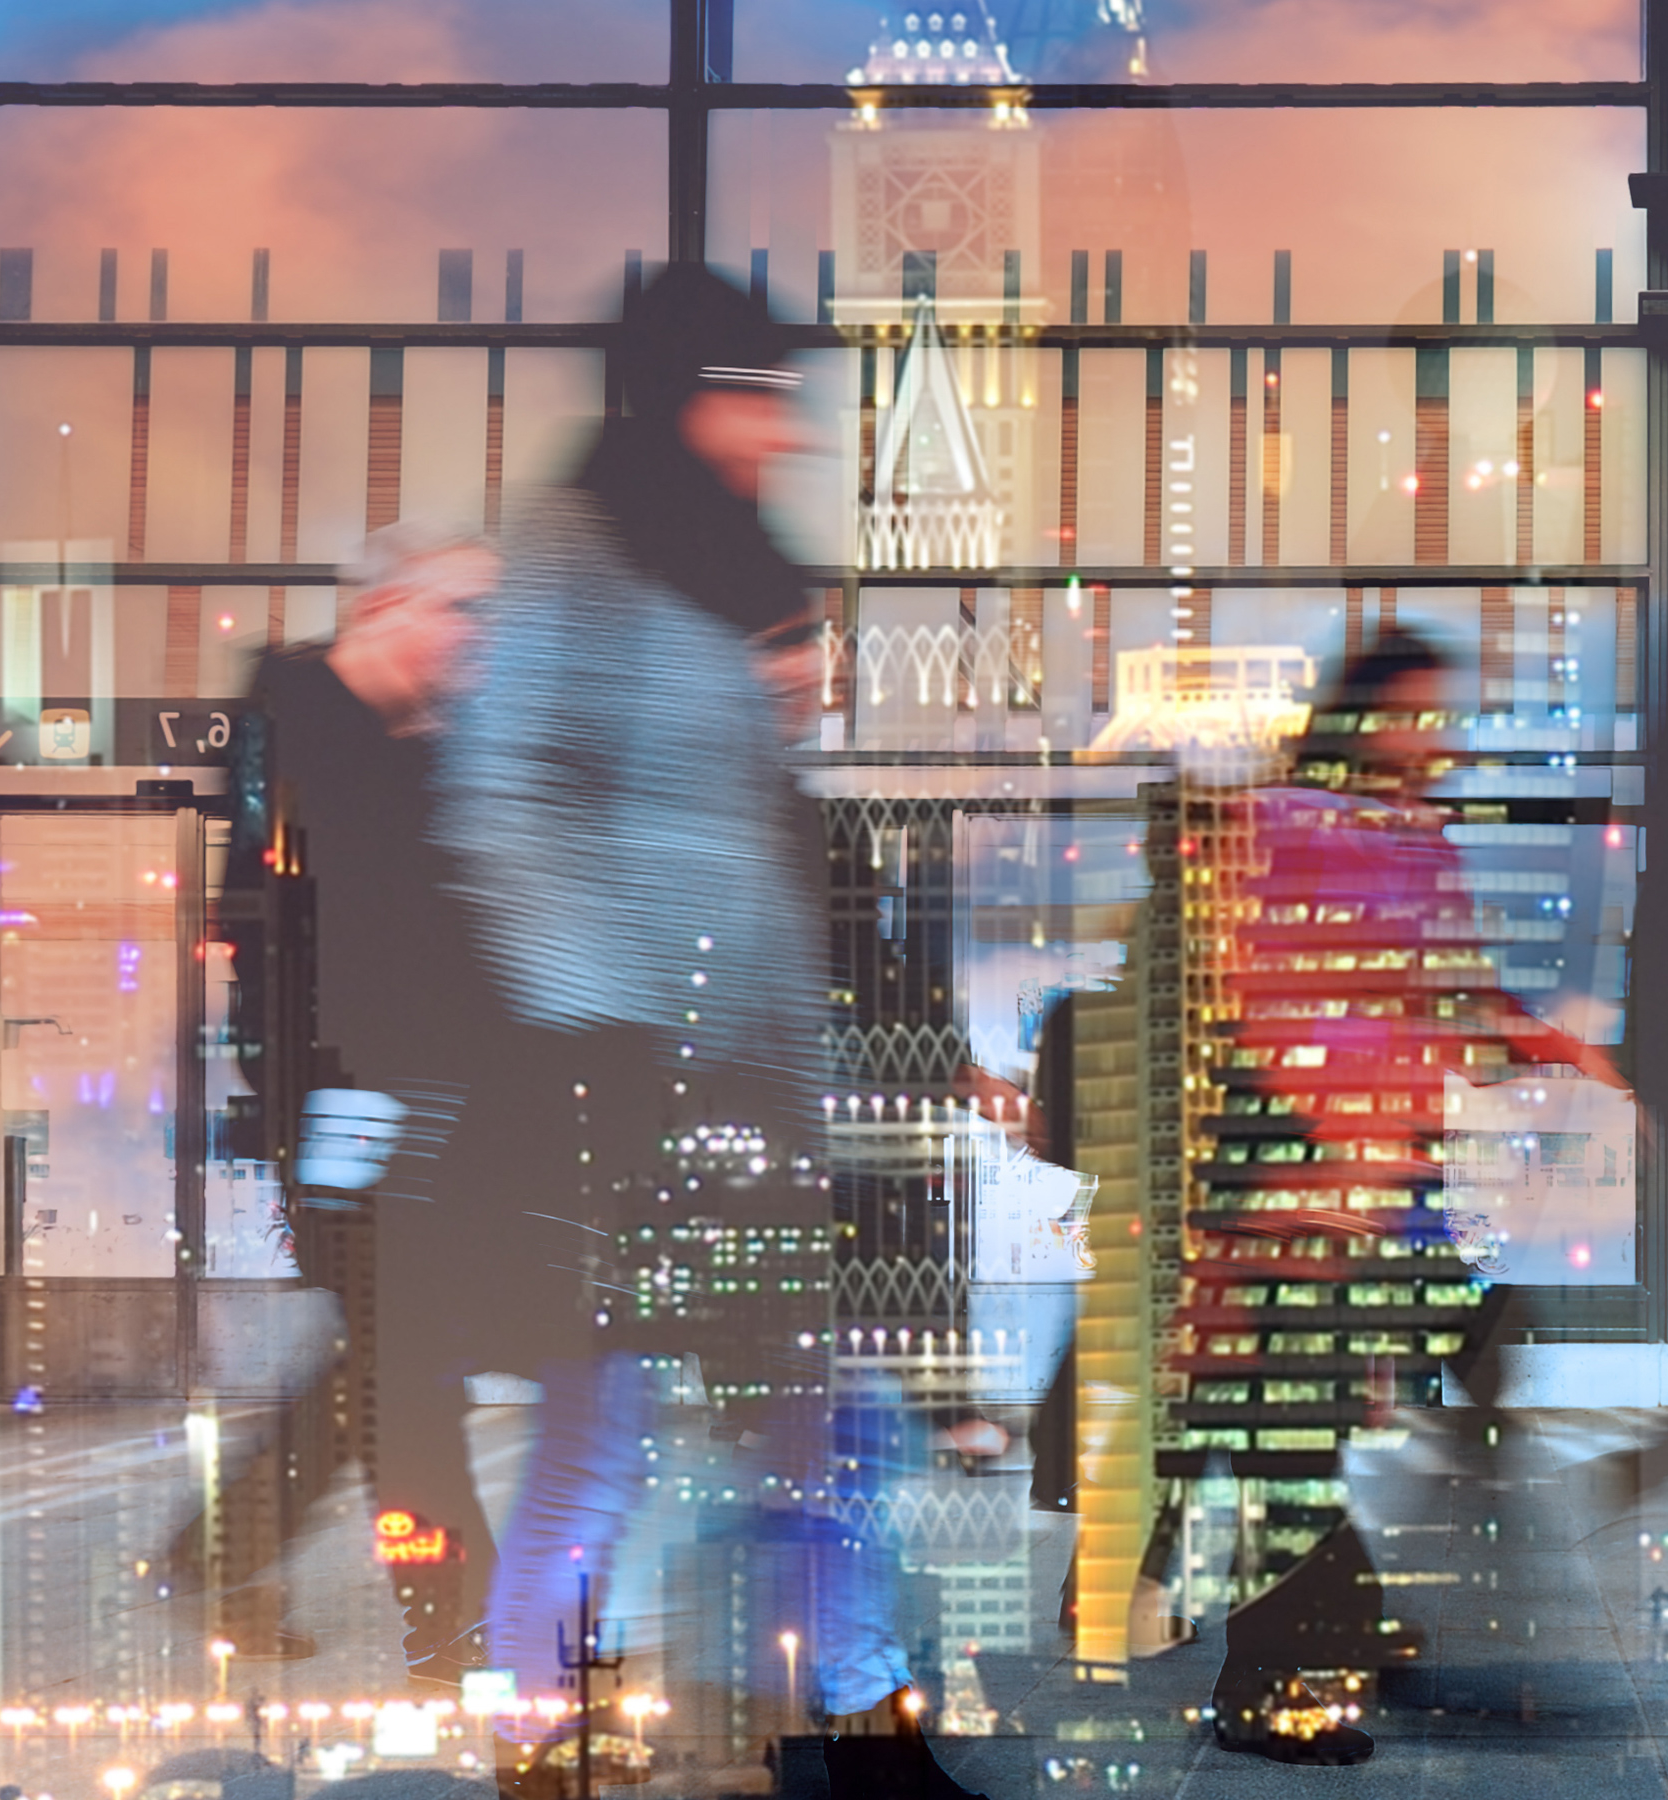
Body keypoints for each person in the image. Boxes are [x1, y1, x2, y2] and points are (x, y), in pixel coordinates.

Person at [432, 263, 978, 1800]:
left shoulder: (727, 575)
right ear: (686, 398)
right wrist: (601, 1022)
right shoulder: (581, 557)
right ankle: (547, 1742)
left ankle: (849, 1727)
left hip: (731, 1085)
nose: (782, 437)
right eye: (758, 401)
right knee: (606, 1442)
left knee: (817, 1423)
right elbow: (499, 798)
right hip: (623, 1085)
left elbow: (750, 862)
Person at [1174, 627, 1621, 1766]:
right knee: (1289, 1442)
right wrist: (1340, 1137)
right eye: (1416, 713)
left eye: (1443, 715)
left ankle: (1338, 1632)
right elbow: (1255, 989)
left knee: (1323, 1428)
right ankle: (1272, 1687)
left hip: (1383, 1186)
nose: (1438, 739)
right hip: (1298, 1178)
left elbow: (1459, 992)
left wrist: (1550, 1049)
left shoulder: (1423, 845)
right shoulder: (1277, 826)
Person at [176, 517, 501, 1680]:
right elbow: (264, 931)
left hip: (423, 1104)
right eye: (462, 613)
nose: (478, 642)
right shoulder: (295, 725)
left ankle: (211, 1557)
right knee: (408, 1361)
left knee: (387, 1358)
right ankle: (450, 1618)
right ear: (387, 607)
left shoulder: (423, 746)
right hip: (344, 1104)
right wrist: (305, 1101)